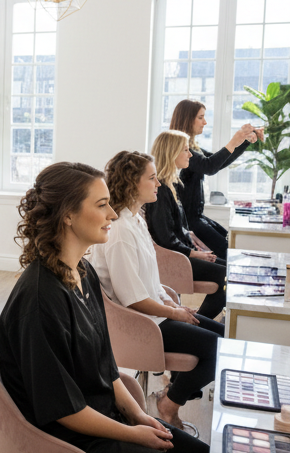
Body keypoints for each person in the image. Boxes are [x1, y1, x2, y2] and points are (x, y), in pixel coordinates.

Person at [0, 162, 207, 453]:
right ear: (69, 216)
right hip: (70, 444)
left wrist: (142, 416)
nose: (113, 213)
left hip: (105, 420)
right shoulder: (39, 297)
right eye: (102, 205)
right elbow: (63, 410)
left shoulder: (83, 274)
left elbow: (107, 368)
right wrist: (133, 435)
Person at [88, 150, 224, 431]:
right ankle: (169, 404)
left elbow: (149, 281)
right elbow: (133, 299)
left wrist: (173, 305)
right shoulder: (120, 232)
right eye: (152, 178)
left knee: (224, 337)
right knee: (219, 348)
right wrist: (174, 313)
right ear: (132, 183)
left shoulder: (136, 220)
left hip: (155, 315)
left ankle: (170, 397)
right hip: (140, 323)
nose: (159, 183)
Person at [145, 130, 227, 319]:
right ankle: (198, 322)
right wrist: (195, 253)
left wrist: (189, 236)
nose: (190, 154)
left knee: (228, 270)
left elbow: (172, 227)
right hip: (174, 259)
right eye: (185, 150)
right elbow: (165, 238)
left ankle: (199, 320)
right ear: (171, 153)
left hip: (181, 253)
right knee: (225, 275)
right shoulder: (161, 190)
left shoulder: (171, 184)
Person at [169, 99, 261, 259]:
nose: (205, 122)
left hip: (196, 216)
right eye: (200, 117)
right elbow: (209, 166)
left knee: (227, 241)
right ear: (187, 119)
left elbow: (217, 162)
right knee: (225, 250)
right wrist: (234, 141)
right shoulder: (179, 149)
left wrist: (244, 142)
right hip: (188, 221)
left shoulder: (192, 147)